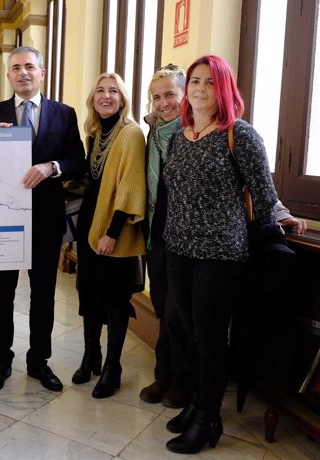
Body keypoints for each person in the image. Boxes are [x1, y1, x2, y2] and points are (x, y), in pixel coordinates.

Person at [161, 55, 278, 454]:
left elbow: (264, 196)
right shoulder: (180, 135)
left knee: (210, 339)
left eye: (210, 82)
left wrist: (282, 218)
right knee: (189, 334)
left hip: (220, 255)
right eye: (194, 81)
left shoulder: (239, 134)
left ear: (224, 89)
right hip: (178, 250)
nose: (199, 88)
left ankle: (208, 420)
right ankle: (195, 404)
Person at [0, 46, 85, 392]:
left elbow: (76, 161)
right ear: (8, 76)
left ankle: (39, 361)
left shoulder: (64, 113)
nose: (23, 73)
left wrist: (52, 167)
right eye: (16, 68)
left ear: (41, 73)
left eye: (29, 67)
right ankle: (1, 360)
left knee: (43, 293)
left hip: (45, 218)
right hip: (2, 218)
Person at [71, 73, 146, 400]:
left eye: (113, 91)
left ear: (123, 99)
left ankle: (113, 366)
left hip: (117, 230)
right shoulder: (95, 134)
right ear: (93, 99)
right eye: (100, 90)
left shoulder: (130, 134)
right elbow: (91, 180)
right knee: (89, 292)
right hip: (90, 224)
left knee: (116, 299)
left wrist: (112, 233)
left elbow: (130, 186)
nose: (105, 96)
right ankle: (91, 355)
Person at [136, 64, 190, 408]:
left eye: (170, 94)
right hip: (155, 237)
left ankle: (181, 382)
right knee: (162, 310)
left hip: (185, 240)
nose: (163, 102)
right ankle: (164, 375)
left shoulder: (195, 132)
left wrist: (281, 213)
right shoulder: (151, 134)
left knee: (178, 314)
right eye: (157, 96)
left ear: (184, 95)